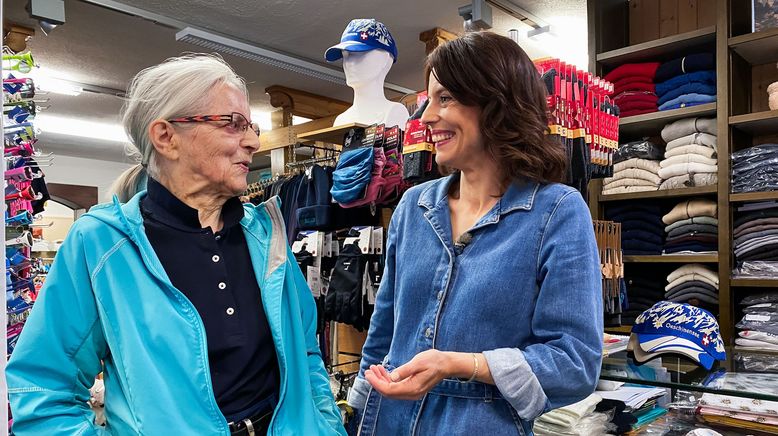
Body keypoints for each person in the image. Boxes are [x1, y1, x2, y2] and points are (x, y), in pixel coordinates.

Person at [6, 53, 346, 436]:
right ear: (166, 137)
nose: (253, 141)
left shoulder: (266, 235)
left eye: (250, 125)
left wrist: (325, 426)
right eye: (233, 123)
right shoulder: (100, 245)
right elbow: (43, 389)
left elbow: (306, 354)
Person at [346, 32, 603, 435]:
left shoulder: (556, 212)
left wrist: (459, 364)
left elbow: (575, 363)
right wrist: (355, 413)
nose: (426, 117)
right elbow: (383, 335)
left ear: (497, 103)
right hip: (388, 422)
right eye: (427, 101)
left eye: (444, 98)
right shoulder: (413, 208)